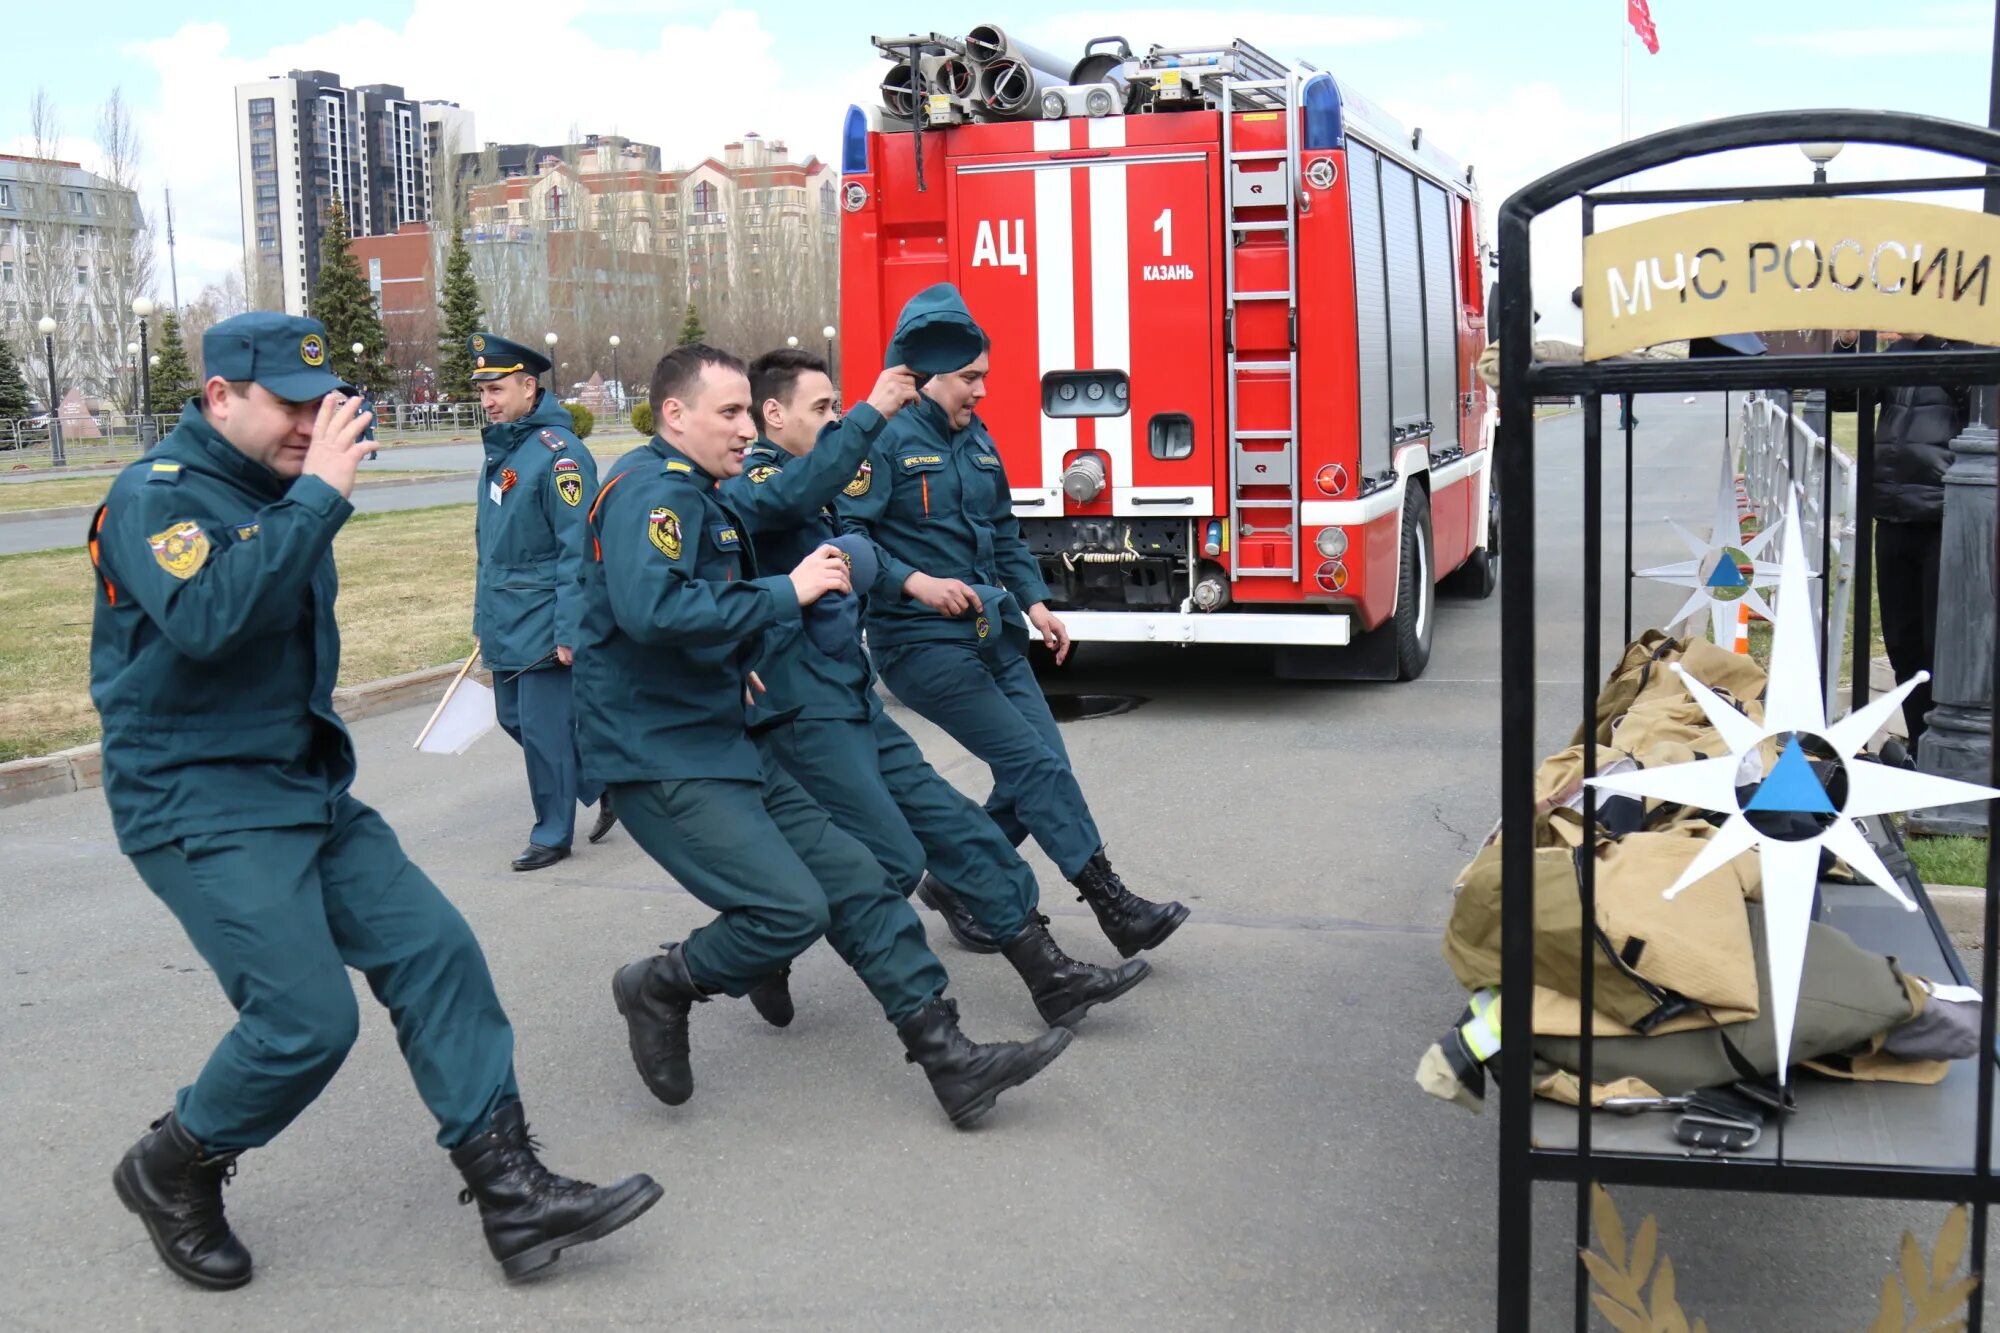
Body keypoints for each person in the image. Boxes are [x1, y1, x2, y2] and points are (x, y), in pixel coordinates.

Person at [86, 312, 660, 1291]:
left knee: (436, 952)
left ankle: (513, 1195)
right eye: (287, 405)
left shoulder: (274, 489)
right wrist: (315, 499)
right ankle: (170, 1165)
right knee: (305, 1022)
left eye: (322, 404)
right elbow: (212, 619)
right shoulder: (157, 498)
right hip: (196, 799)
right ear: (219, 396)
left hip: (298, 784)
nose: (310, 425)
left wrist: (303, 498)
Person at [577, 342, 1072, 1128]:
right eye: (730, 412)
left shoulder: (704, 494)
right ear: (675, 413)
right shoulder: (650, 493)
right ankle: (661, 983)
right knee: (789, 909)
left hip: (726, 732)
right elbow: (651, 610)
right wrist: (787, 591)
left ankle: (951, 1059)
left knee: (860, 877)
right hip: (660, 753)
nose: (747, 429)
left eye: (749, 411)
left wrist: (735, 655)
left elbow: (688, 610)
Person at [719, 346, 1151, 1028]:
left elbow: (882, 544)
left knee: (958, 829)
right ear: (774, 414)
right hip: (801, 710)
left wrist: (916, 577)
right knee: (888, 864)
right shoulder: (755, 478)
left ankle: (1051, 975)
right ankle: (755, 949)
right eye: (822, 408)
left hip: (850, 693)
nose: (835, 422)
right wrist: (870, 416)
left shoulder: (829, 470)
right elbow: (793, 502)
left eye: (838, 407)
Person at [837, 285, 1189, 958]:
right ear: (930, 370)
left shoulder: (978, 440)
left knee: (1042, 764)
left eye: (985, 377)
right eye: (971, 378)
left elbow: (1001, 531)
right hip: (919, 644)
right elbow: (847, 538)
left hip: (993, 632)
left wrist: (1035, 601)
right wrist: (916, 582)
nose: (982, 392)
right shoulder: (880, 438)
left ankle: (961, 883)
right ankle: (1113, 904)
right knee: (1032, 764)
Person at [470, 332, 616, 870]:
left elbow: (578, 548)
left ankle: (552, 833)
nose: (487, 399)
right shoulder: (508, 447)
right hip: (506, 615)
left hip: (544, 616)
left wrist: (569, 629)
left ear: (529, 387)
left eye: (497, 387)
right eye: (482, 388)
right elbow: (493, 547)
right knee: (513, 720)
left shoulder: (560, 456)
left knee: (544, 730)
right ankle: (604, 779)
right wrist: (482, 618)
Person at [1872, 331, 1973, 756]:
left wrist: (1936, 342)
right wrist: (1846, 345)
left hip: (1944, 512)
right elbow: (1843, 396)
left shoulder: (1974, 344)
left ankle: (1948, 749)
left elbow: (1976, 399)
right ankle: (1918, 743)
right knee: (1901, 640)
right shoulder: (1898, 350)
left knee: (1941, 642)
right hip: (1891, 507)